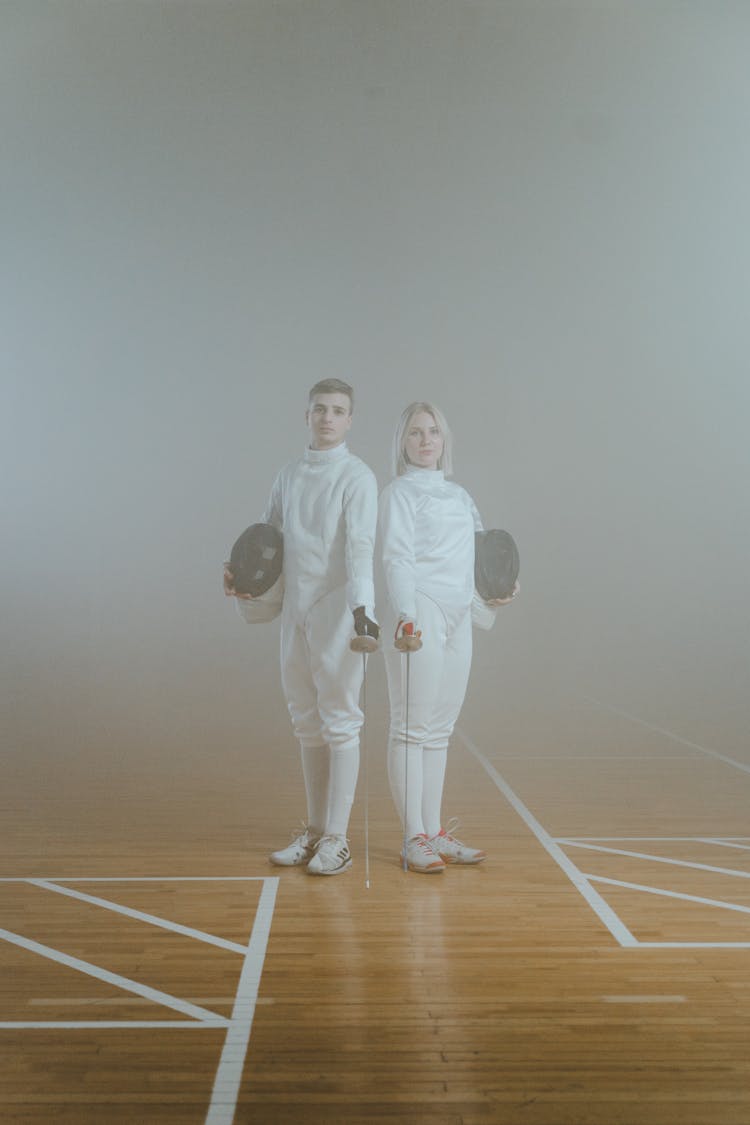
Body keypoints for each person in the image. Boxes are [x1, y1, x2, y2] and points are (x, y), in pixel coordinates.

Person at [224, 379, 378, 875]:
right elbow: (265, 536)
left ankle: (338, 838)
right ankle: (314, 832)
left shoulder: (357, 477)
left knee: (341, 720)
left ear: (350, 420)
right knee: (306, 721)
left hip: (338, 613)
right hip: (297, 610)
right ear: (306, 415)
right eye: (319, 409)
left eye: (337, 410)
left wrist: (363, 612)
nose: (328, 418)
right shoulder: (288, 475)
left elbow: (359, 548)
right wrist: (240, 577)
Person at [378, 402, 517, 873]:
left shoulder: (459, 496)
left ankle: (434, 832)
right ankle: (412, 837)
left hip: (458, 615)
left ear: (444, 439)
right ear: (402, 442)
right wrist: (406, 615)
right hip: (420, 613)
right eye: (415, 433)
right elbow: (396, 558)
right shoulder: (398, 493)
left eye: (433, 431)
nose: (425, 440)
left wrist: (497, 593)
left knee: (439, 732)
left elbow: (482, 556)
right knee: (410, 728)